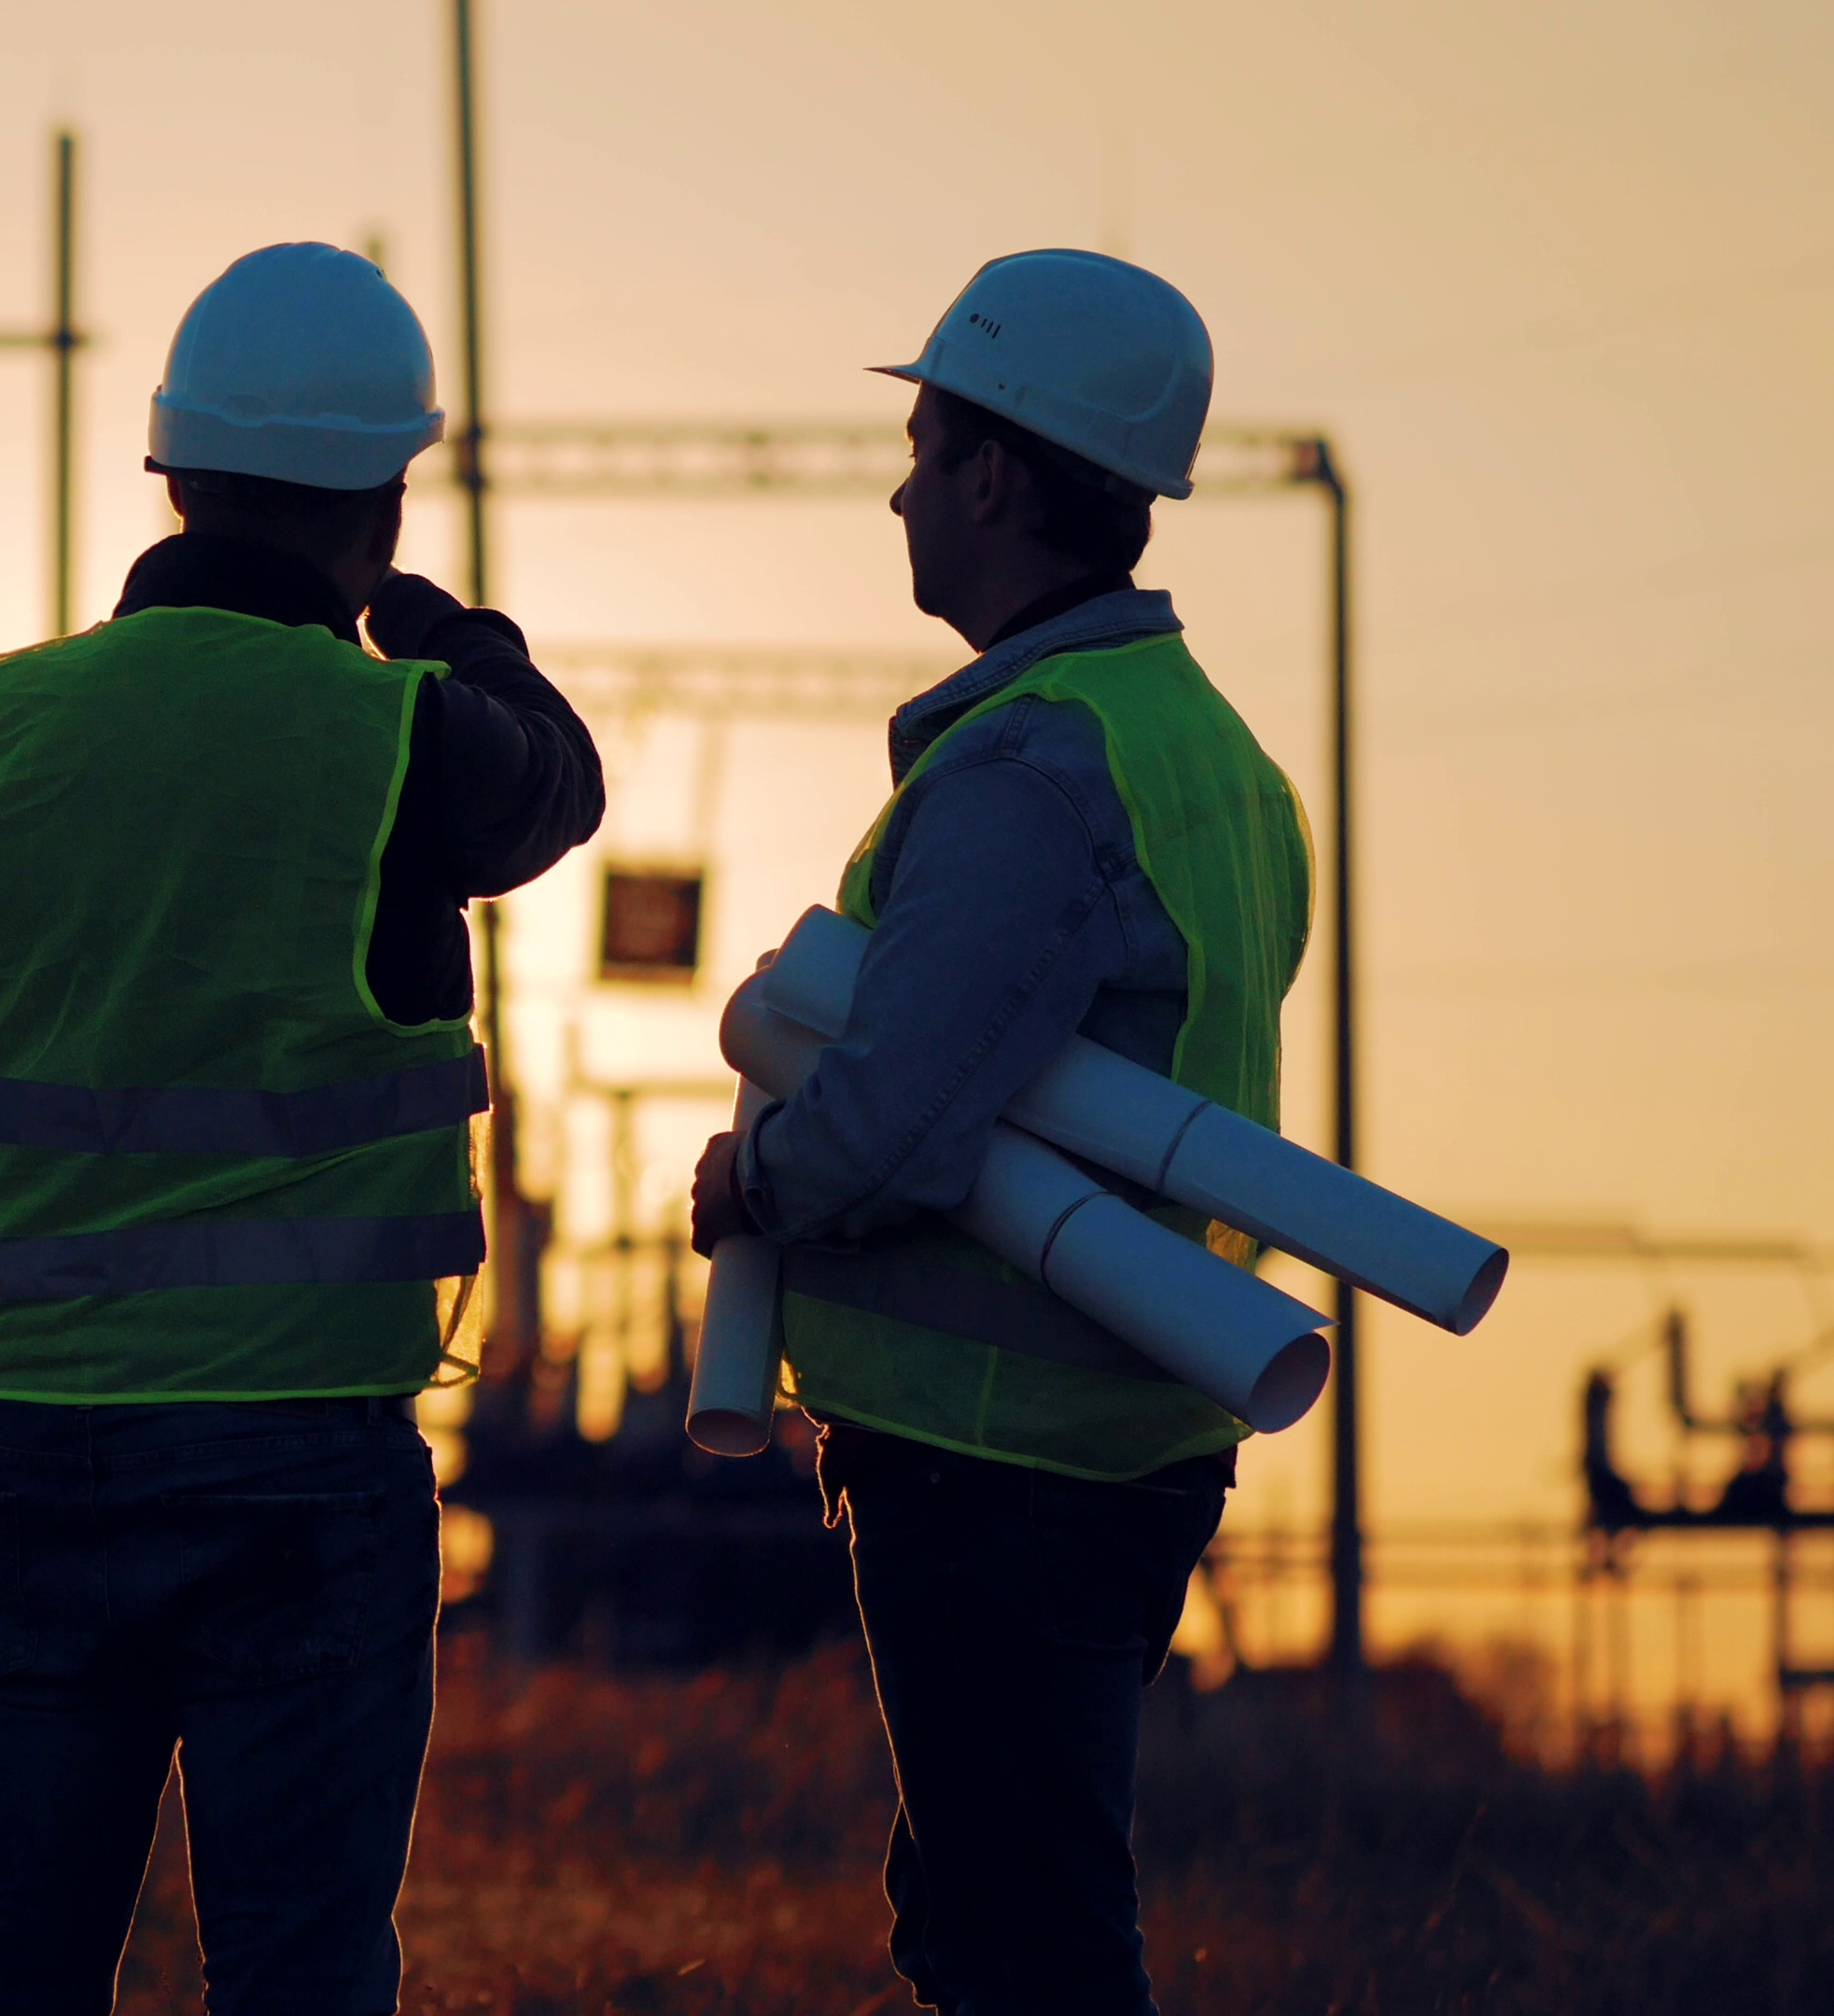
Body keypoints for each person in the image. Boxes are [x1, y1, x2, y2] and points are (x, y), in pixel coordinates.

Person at [0, 242, 602, 2015]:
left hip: (34, 1447)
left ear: (170, 475)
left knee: (13, 1959)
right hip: (301, 1463)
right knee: (295, 1971)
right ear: (382, 497)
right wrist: (456, 634)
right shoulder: (396, 737)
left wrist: (23, 1218)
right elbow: (560, 780)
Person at [687, 249, 1309, 2016]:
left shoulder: (1035, 769)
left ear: (995, 474)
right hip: (1129, 1435)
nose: (897, 485)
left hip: (998, 1456)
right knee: (1005, 1907)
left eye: (920, 440)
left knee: (1019, 1943)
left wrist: (752, 1182)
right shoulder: (1218, 761)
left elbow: (888, 1123)